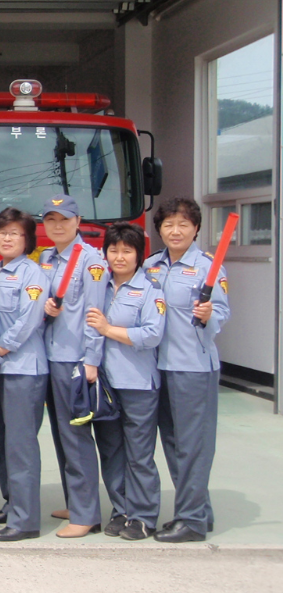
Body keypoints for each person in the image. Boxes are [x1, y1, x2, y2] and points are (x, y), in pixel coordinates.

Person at [39, 194, 125, 538]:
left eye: (64, 219)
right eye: (51, 219)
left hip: (74, 360)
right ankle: (75, 501)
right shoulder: (46, 258)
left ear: (78, 222)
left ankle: (86, 514)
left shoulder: (91, 261)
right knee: (62, 437)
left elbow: (95, 313)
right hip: (50, 356)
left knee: (76, 437)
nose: (57, 225)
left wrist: (91, 360)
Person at [143, 198, 229, 543]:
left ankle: (191, 521)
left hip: (192, 367)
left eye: (183, 225)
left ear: (196, 229)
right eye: (168, 225)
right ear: (160, 229)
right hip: (157, 367)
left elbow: (222, 313)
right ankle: (199, 510)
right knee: (173, 442)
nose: (175, 231)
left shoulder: (208, 266)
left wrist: (209, 316)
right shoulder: (150, 266)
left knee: (193, 446)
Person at [86, 222, 165, 540]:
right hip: (105, 384)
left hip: (138, 384)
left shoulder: (150, 289)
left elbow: (152, 334)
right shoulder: (100, 286)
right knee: (111, 451)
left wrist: (108, 330)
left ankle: (143, 516)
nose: (119, 257)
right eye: (113, 250)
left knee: (139, 454)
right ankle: (121, 510)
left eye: (127, 251)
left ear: (139, 255)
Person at [0, 208, 49, 542]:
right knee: (1, 439)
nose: (7, 239)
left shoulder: (32, 274)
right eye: (2, 232)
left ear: (28, 240)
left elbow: (29, 319)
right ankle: (12, 502)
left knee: (20, 445)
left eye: (15, 233)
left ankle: (25, 520)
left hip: (22, 369)